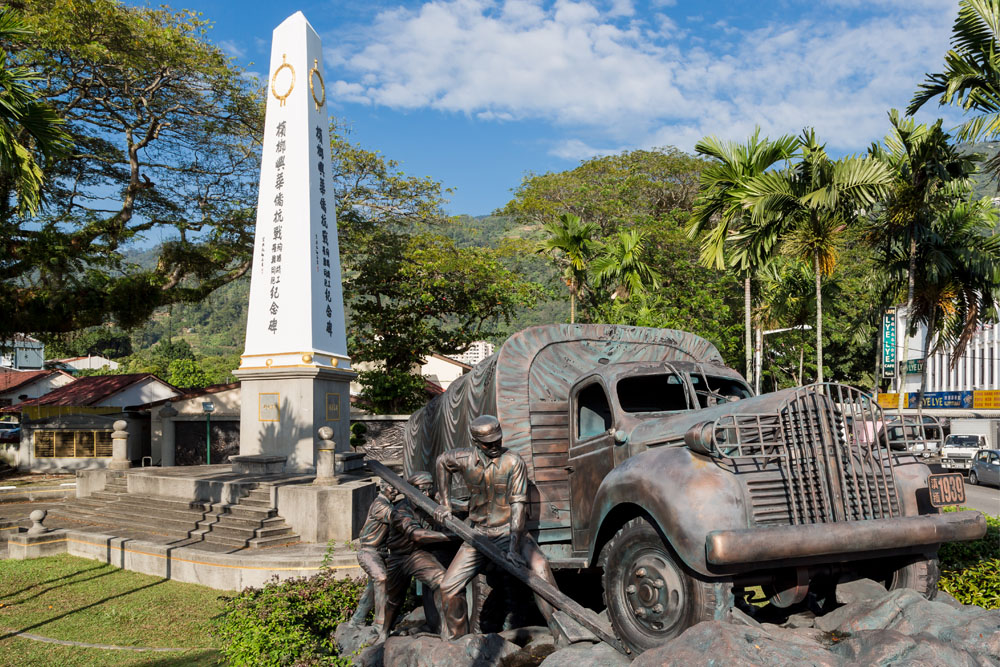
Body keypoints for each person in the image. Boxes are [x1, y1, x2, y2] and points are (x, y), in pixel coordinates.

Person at [433, 415, 559, 640]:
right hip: (478, 535)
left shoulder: (513, 462)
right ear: (475, 442)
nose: (494, 447)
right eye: (488, 443)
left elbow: (518, 507)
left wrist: (513, 547)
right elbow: (442, 461)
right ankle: (458, 644)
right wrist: (445, 502)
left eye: (497, 441)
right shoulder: (463, 459)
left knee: (541, 567)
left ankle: (562, 630)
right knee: (448, 587)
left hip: (509, 532)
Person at [382, 471, 451, 635]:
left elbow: (452, 504)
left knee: (442, 582)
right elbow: (416, 535)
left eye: (429, 489)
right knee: (394, 599)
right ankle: (384, 632)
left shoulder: (430, 502)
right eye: (422, 490)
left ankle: (445, 631)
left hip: (418, 555)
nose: (426, 494)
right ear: (411, 490)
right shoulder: (400, 511)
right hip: (399, 557)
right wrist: (448, 536)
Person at [351, 479, 394, 642]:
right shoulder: (381, 505)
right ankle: (380, 625)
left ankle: (356, 620)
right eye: (392, 487)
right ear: (383, 488)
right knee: (381, 579)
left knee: (372, 588)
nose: (395, 491)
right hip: (369, 552)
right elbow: (396, 518)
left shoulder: (387, 503)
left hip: (381, 553)